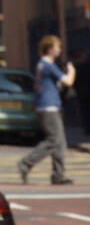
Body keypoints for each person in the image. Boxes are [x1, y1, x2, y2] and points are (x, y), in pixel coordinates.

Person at [18, 35, 75, 185]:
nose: (59, 50)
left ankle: (58, 175)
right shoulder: (48, 65)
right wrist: (71, 70)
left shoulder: (41, 65)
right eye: (58, 47)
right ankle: (26, 163)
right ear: (50, 49)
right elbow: (68, 81)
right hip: (49, 108)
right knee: (53, 141)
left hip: (47, 106)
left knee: (60, 143)